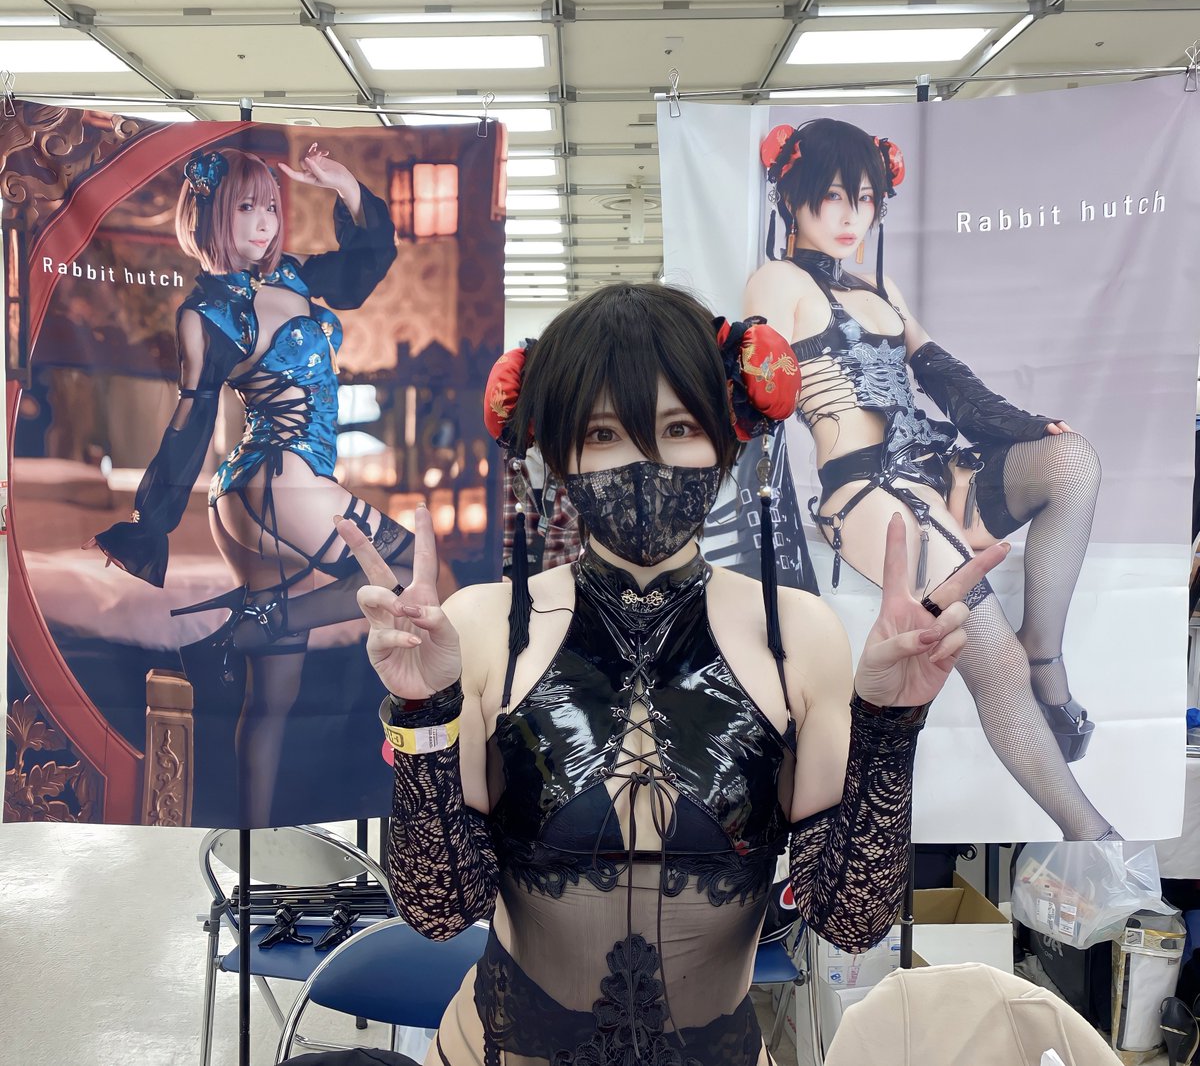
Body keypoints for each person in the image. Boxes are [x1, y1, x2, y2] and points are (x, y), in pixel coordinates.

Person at [336, 282, 1007, 1066]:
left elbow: (850, 921)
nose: (644, 461)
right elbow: (440, 911)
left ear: (730, 438)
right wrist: (423, 713)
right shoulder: (483, 626)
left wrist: (889, 727)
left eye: (678, 427)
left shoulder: (800, 635)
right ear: (558, 453)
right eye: (603, 433)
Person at [743, 117, 1116, 841]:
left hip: (938, 470)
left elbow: (944, 377)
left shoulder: (879, 284)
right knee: (990, 655)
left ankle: (1046, 655)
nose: (851, 216)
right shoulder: (776, 281)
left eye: (865, 198)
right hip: (866, 492)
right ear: (789, 198)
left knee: (1074, 460)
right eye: (832, 196)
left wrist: (1026, 424)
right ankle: (1095, 840)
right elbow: (756, 396)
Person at [86, 144, 414, 826]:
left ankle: (251, 838)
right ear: (208, 214)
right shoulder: (205, 313)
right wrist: (148, 525)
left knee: (273, 700)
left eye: (270, 206)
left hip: (258, 495)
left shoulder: (292, 273)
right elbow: (189, 422)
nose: (264, 223)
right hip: (280, 483)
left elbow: (364, 268)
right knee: (410, 574)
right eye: (245, 207)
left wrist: (344, 185)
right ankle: (255, 626)